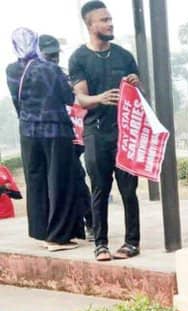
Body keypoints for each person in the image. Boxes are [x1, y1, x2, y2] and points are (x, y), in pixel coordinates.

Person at [69, 1, 142, 261]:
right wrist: (100, 98)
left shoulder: (124, 56)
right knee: (100, 188)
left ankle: (132, 242)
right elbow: (80, 99)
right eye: (104, 20)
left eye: (110, 19)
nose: (110, 24)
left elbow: (138, 95)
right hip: (96, 132)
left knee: (128, 190)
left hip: (125, 133)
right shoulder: (79, 58)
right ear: (90, 25)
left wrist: (136, 84)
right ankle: (100, 244)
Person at [6, 28, 78, 251]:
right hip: (55, 130)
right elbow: (69, 98)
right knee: (59, 181)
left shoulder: (11, 70)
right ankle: (58, 237)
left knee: (36, 182)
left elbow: (17, 103)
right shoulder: (50, 68)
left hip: (28, 131)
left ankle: (41, 231)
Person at [39, 33, 93, 242]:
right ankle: (72, 225)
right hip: (53, 137)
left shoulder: (63, 75)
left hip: (72, 135)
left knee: (77, 179)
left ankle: (90, 222)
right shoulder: (37, 76)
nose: (54, 59)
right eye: (49, 55)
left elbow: (75, 99)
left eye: (55, 55)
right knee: (64, 182)